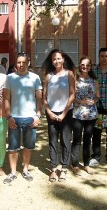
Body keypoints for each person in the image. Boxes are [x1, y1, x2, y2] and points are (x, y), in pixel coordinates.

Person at [3, 52, 42, 184]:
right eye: (19, 62)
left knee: (28, 146)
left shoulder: (35, 78)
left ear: (28, 63)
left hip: (30, 118)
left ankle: (25, 170)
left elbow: (39, 99)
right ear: (16, 63)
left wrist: (38, 115)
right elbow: (6, 99)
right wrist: (8, 116)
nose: (21, 65)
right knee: (13, 147)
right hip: (14, 117)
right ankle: (13, 172)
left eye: (24, 62)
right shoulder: (10, 78)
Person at [42, 49, 75, 182]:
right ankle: (53, 169)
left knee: (66, 141)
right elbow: (44, 97)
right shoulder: (48, 75)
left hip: (66, 112)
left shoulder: (69, 74)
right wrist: (49, 112)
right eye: (54, 59)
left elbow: (72, 94)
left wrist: (64, 113)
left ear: (63, 60)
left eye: (59, 58)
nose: (57, 61)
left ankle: (64, 168)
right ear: (52, 61)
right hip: (51, 113)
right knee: (53, 141)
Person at [71, 57, 99, 175]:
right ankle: (74, 164)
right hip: (78, 114)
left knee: (88, 140)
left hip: (91, 114)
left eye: (87, 65)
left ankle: (86, 164)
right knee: (77, 140)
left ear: (90, 66)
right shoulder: (74, 79)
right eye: (83, 64)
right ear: (79, 65)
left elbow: (97, 96)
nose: (85, 67)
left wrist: (94, 101)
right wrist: (80, 101)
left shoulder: (94, 80)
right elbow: (71, 97)